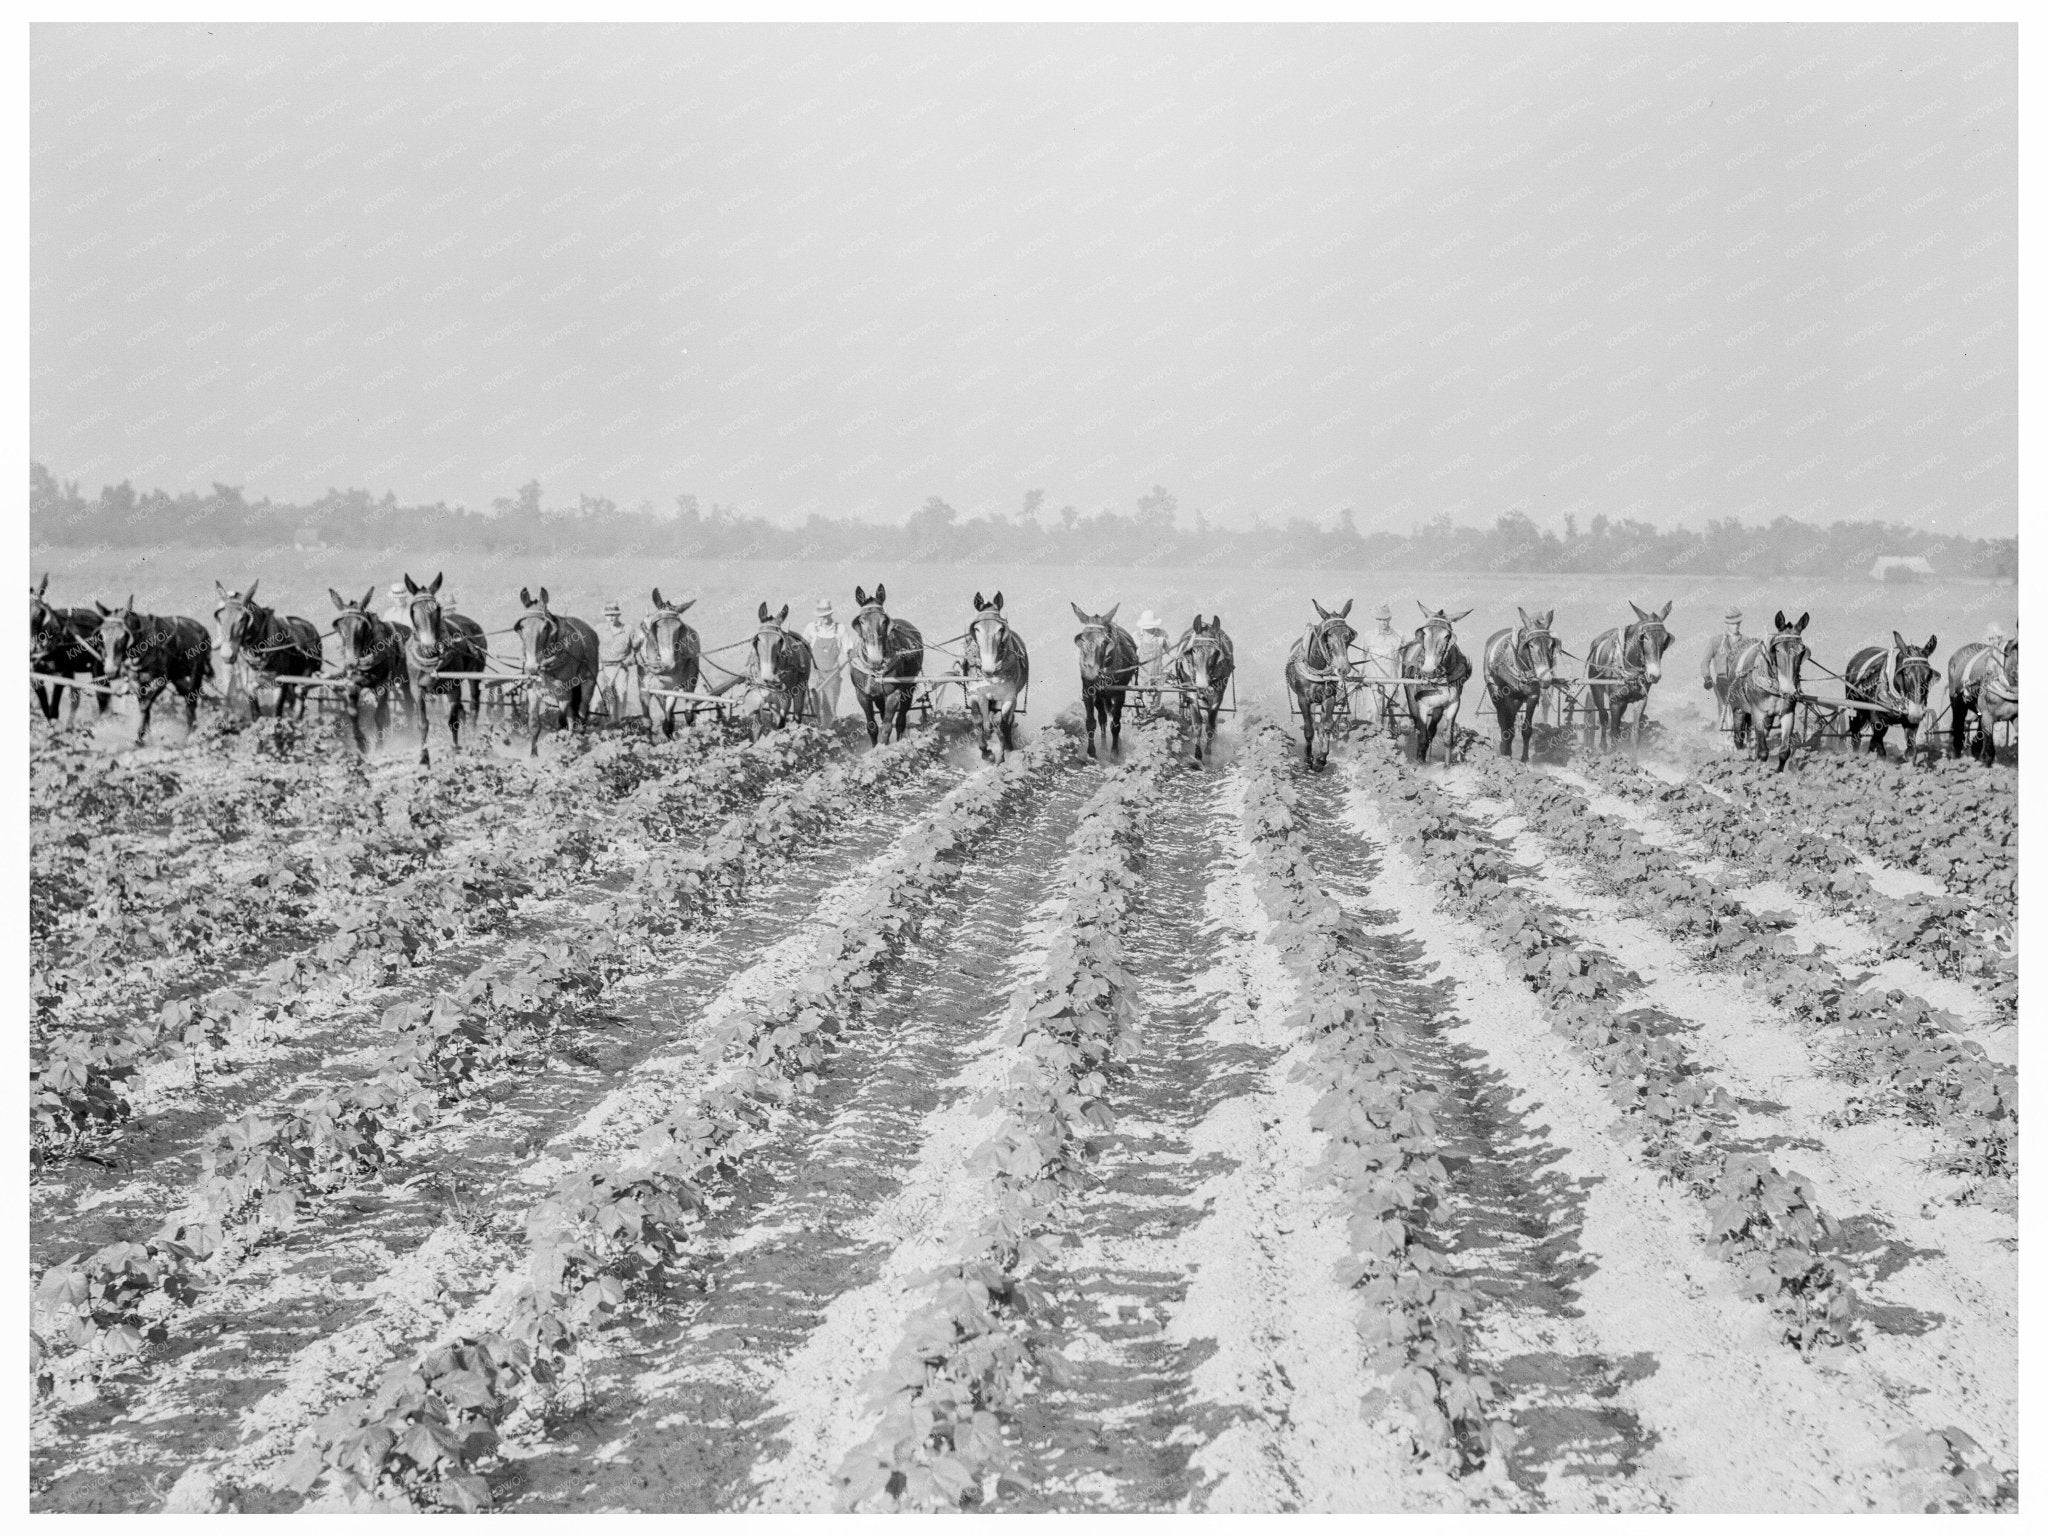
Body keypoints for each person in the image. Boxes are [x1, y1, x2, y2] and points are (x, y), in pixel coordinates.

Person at [1357, 603, 1404, 737]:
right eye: (1380, 620)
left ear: (1390, 619)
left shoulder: (1399, 636)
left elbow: (1408, 655)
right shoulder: (1369, 635)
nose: (1383, 622)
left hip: (1391, 679)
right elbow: (1362, 654)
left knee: (1389, 711)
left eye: (1386, 619)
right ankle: (1371, 739)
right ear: (1376, 620)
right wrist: (1361, 671)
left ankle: (1388, 740)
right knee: (1372, 710)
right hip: (1373, 679)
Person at [595, 601, 643, 723]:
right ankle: (603, 723)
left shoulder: (627, 629)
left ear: (618, 615)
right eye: (608, 615)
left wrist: (629, 660)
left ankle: (619, 722)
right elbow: (593, 648)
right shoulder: (599, 629)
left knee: (621, 694)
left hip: (621, 667)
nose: (610, 618)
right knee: (604, 695)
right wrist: (599, 666)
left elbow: (636, 649)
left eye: (613, 615)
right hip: (602, 667)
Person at [803, 597, 844, 720]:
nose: (823, 618)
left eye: (826, 615)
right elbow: (802, 646)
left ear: (831, 614)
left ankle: (828, 732)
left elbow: (848, 647)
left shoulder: (839, 628)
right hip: (814, 673)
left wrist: (849, 652)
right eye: (821, 615)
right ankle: (810, 728)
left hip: (832, 674)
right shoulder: (811, 628)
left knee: (830, 707)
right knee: (811, 703)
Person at [1135, 611, 1170, 712]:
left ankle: (1155, 715)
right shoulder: (1137, 635)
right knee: (1145, 700)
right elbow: (1133, 655)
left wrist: (1177, 656)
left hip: (1157, 672)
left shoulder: (1162, 634)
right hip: (1142, 674)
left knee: (1156, 699)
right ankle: (1141, 713)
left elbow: (1170, 650)